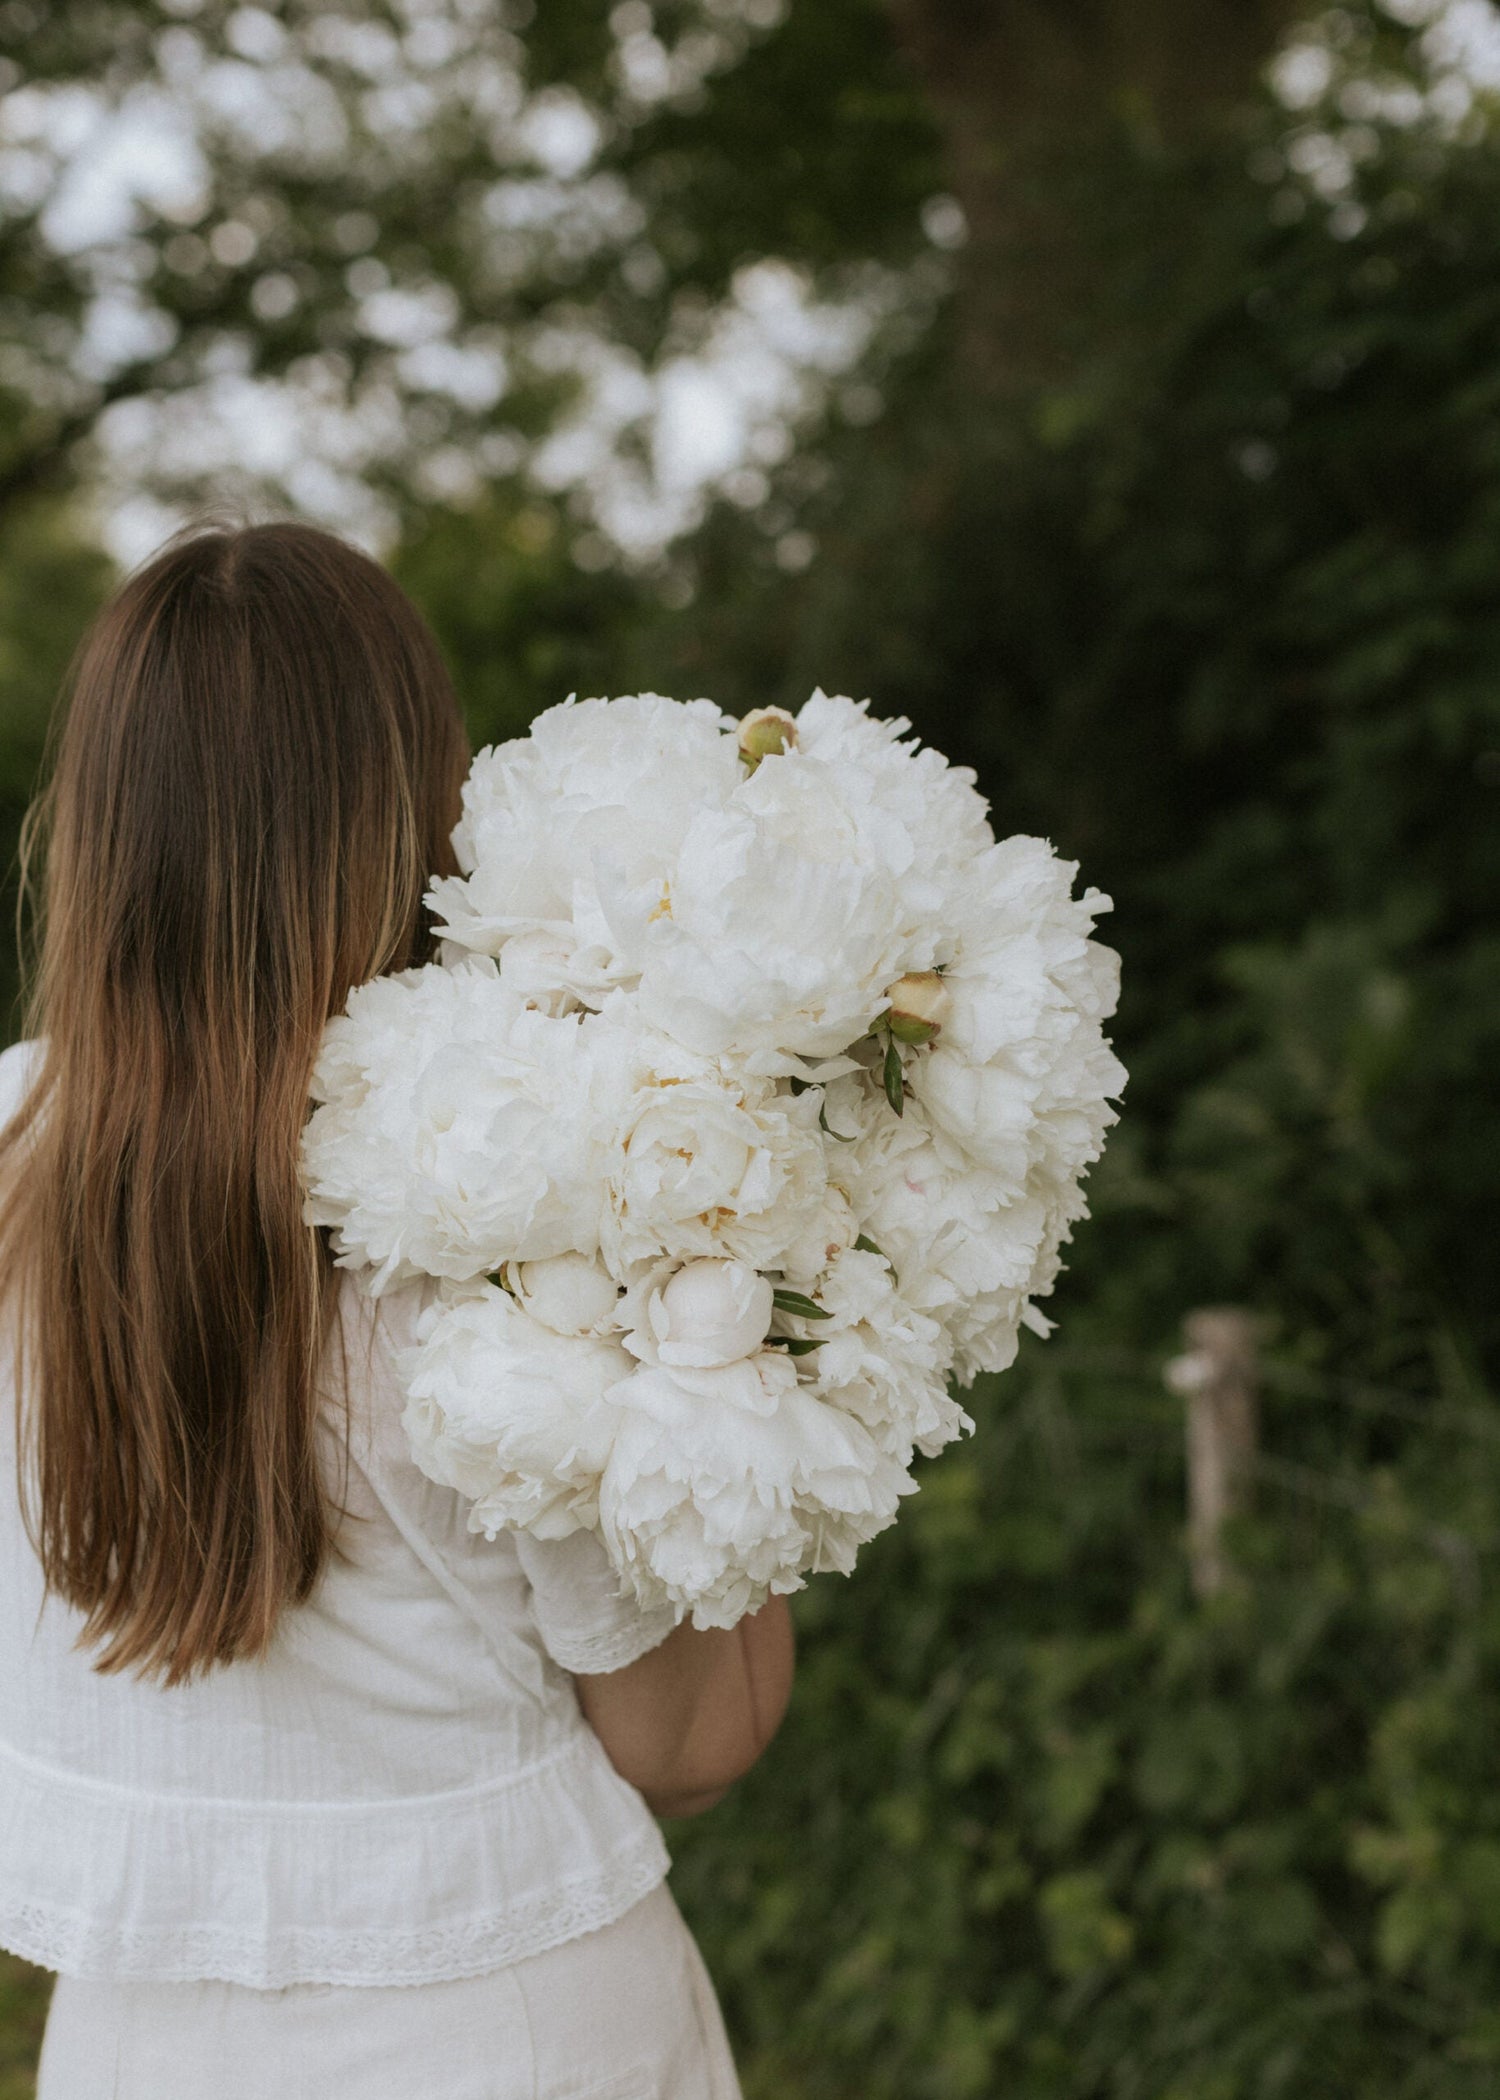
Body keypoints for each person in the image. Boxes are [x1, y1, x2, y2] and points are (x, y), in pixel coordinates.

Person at [0, 521, 794, 2099]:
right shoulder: (511, 1198)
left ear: (94, 831)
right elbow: (688, 1742)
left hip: (138, 2046)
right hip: (513, 2029)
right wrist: (750, 1367)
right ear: (417, 805)